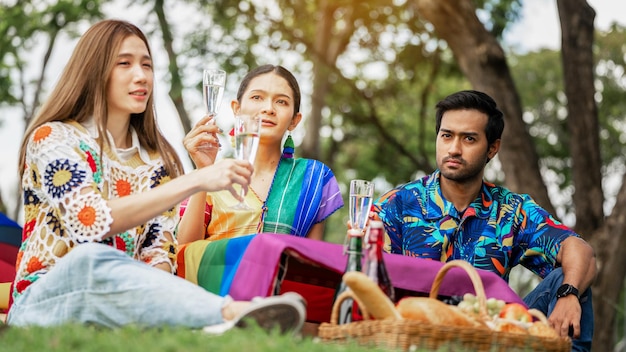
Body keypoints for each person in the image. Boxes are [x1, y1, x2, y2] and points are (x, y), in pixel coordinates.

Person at [8, 19, 305, 334]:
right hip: (42, 303)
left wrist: (161, 290)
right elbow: (90, 221)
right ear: (94, 70)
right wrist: (196, 179)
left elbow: (156, 253)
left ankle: (208, 324)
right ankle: (230, 313)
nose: (141, 76)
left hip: (118, 307)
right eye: (125, 63)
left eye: (147, 65)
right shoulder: (54, 139)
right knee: (90, 259)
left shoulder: (156, 163)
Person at [373, 90, 596, 351]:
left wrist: (568, 293)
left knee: (570, 280)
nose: (454, 149)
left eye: (469, 138)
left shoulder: (512, 210)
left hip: (493, 339)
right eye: (446, 136)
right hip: (415, 338)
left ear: (492, 147)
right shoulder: (396, 204)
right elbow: (365, 278)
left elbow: (582, 252)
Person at [177, 64, 343, 243]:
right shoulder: (208, 175)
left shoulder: (313, 178)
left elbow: (312, 256)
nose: (268, 108)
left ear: (294, 121)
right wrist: (203, 171)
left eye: (281, 101)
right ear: (236, 109)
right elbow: (184, 250)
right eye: (257, 97)